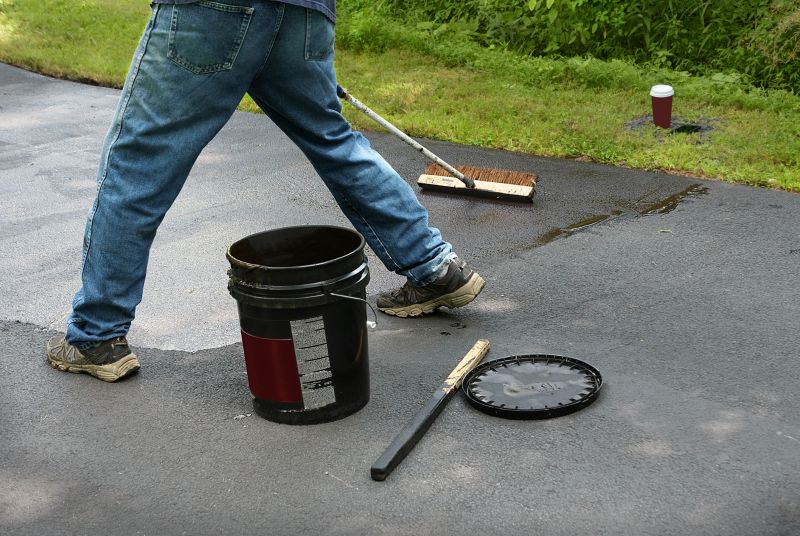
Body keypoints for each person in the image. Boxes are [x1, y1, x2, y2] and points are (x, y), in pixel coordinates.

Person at [45, 0, 485, 382]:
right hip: (303, 11)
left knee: (138, 164)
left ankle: (97, 335)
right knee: (335, 141)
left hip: (212, 13)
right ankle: (434, 267)